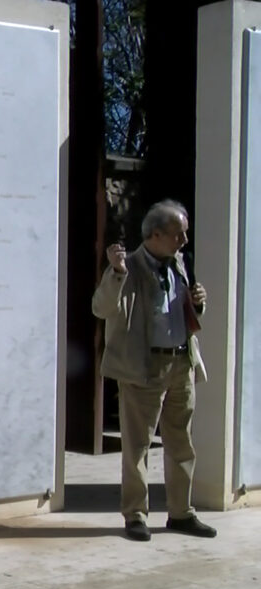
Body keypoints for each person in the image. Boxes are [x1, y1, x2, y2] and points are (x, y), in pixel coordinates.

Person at [92, 199, 217, 542]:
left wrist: (198, 302)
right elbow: (101, 308)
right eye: (179, 235)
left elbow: (180, 311)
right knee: (138, 446)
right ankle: (135, 514)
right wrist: (115, 272)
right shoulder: (127, 266)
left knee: (181, 443)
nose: (185, 241)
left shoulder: (179, 263)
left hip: (181, 362)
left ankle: (181, 513)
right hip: (143, 367)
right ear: (156, 234)